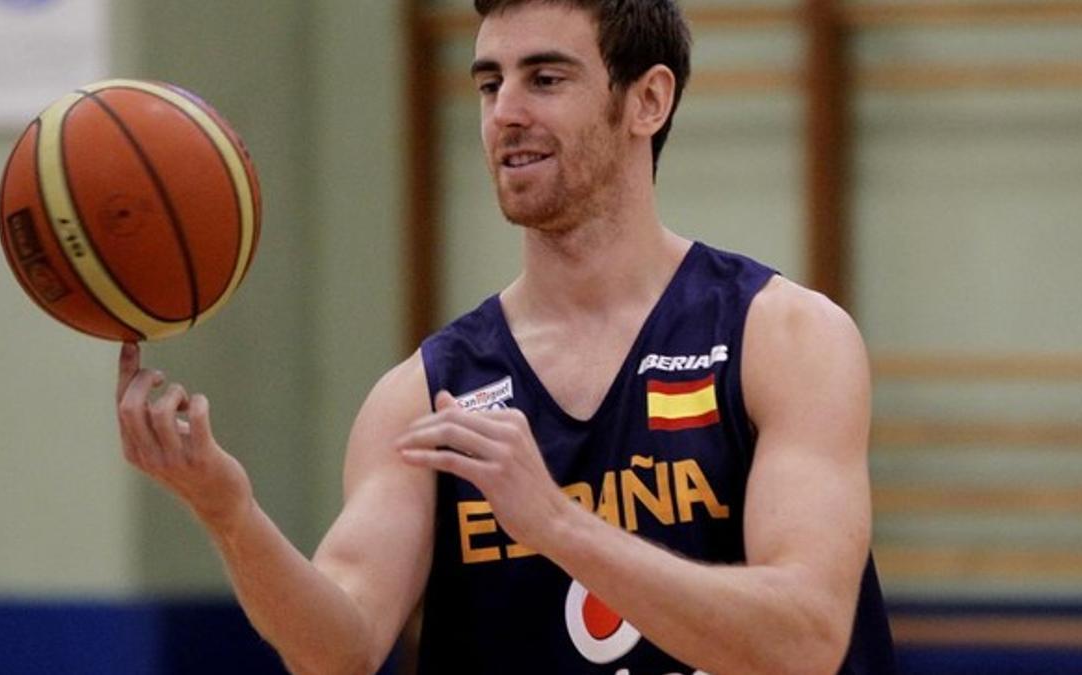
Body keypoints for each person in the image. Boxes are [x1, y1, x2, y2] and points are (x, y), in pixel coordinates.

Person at [116, 0, 895, 673]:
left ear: (648, 100)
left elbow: (807, 639)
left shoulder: (781, 335)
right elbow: (338, 650)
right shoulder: (426, 392)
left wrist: (555, 523)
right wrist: (226, 509)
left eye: (545, 79)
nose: (505, 111)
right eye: (491, 83)